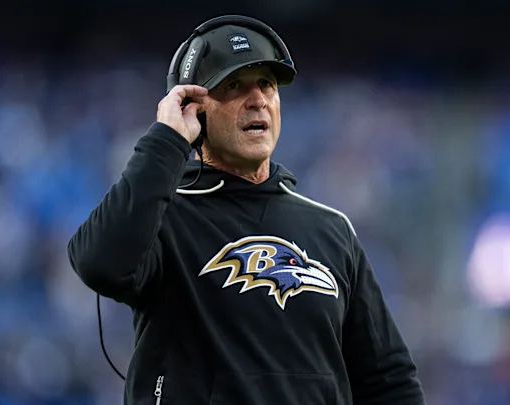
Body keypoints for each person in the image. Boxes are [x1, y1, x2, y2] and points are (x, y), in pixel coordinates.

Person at [67, 14, 426, 405]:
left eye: (267, 84)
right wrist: (167, 140)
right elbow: (99, 263)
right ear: (195, 110)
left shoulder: (332, 229)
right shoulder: (161, 215)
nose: (258, 100)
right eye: (234, 85)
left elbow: (389, 380)